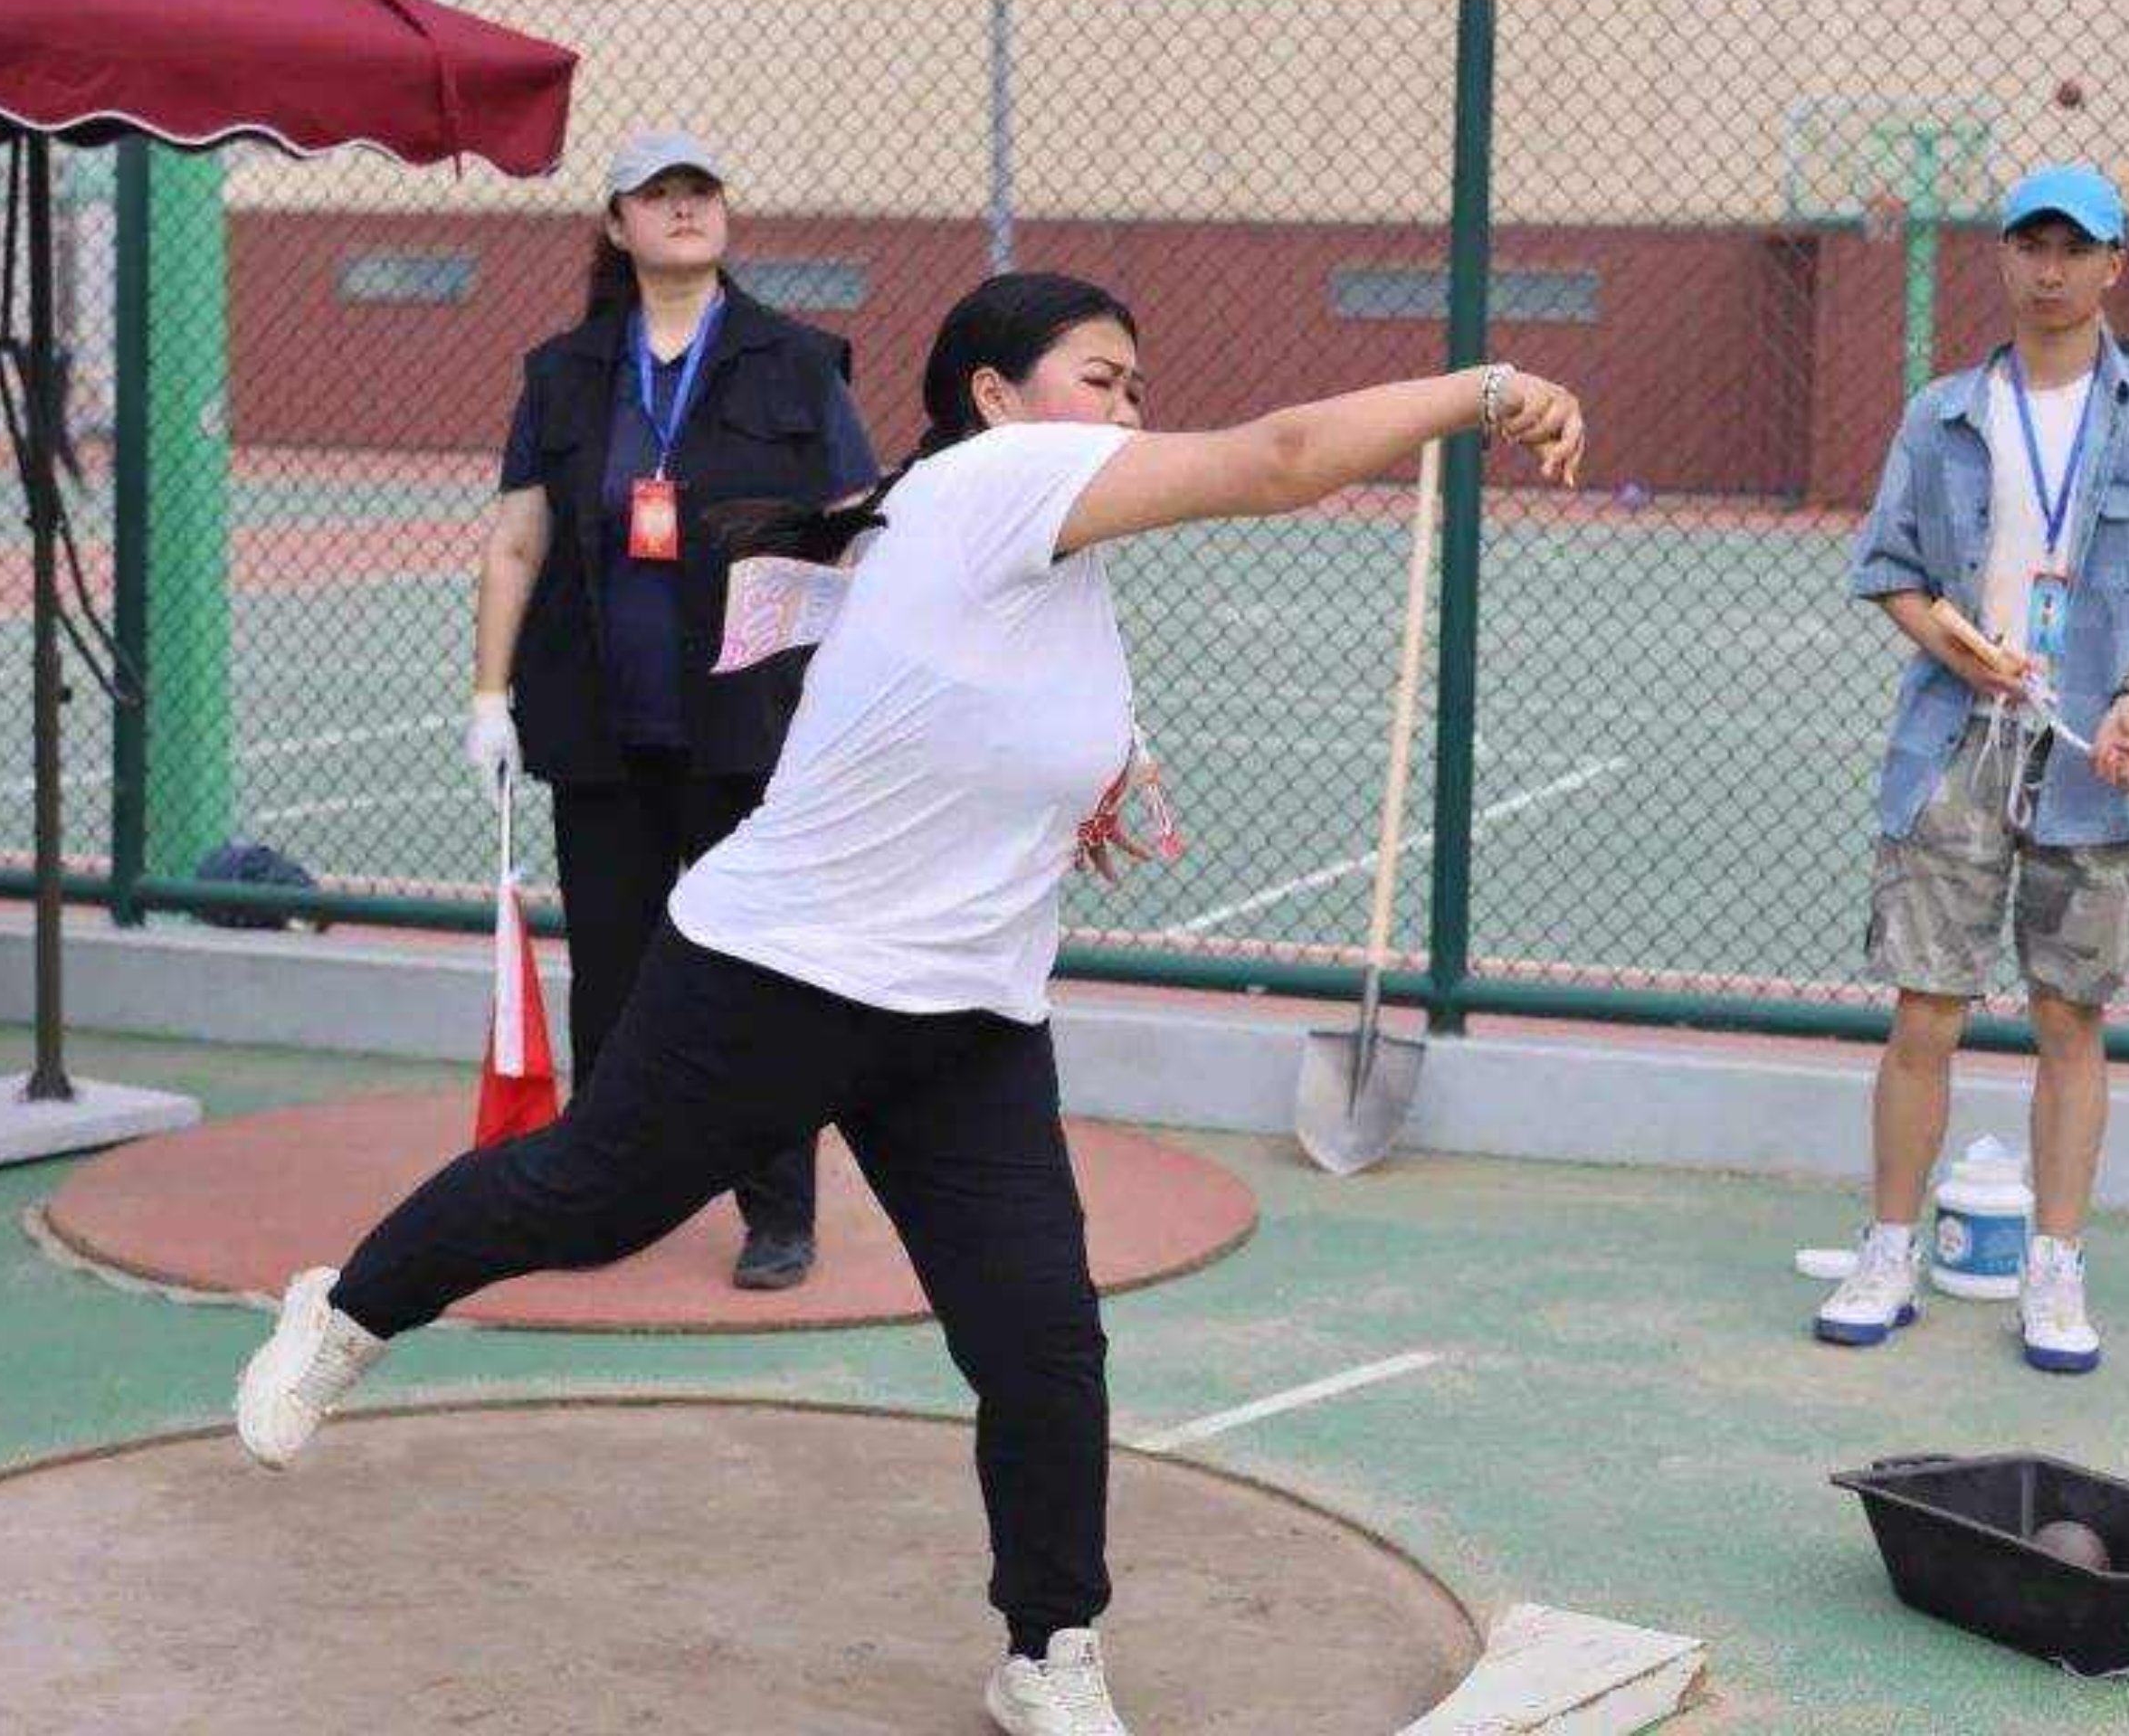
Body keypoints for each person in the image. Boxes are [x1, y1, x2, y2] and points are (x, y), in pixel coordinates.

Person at [235, 272, 1584, 1735]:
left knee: (1040, 1338)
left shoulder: (1045, 547)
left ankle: (1047, 1650)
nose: (1127, 408)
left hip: (966, 1019)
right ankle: (349, 1308)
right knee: (588, 1200)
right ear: (994, 399)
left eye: (1136, 385)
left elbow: (981, 711)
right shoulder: (996, 481)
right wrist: (1486, 391)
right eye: (1098, 377)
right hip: (775, 973)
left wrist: (1083, 784)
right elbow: (1281, 457)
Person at [1820, 164, 2129, 1374]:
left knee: (2069, 1015)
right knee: (1925, 1008)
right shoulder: (1943, 415)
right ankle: (1887, 1250)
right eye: (2031, 246)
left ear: (2114, 264)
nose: (2050, 270)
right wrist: (1957, 648)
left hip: (2091, 762)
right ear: (2004, 258)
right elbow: (1890, 572)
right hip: (1954, 747)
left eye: (2074, 249)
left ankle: (2054, 1267)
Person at [461, 128, 877, 1291]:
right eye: (658, 195)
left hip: (749, 733)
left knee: (760, 972)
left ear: (725, 215)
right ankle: (600, 1198)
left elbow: (858, 533)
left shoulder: (797, 363)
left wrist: (844, 688)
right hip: (603, 732)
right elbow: (517, 541)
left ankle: (778, 1210)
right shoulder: (563, 372)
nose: (684, 208)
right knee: (613, 979)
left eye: (701, 191)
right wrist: (489, 696)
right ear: (617, 225)